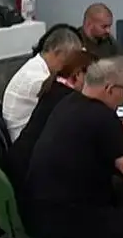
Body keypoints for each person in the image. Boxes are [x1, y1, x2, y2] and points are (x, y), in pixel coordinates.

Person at [23, 56, 123, 238]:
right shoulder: (102, 117)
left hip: (38, 207)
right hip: (65, 218)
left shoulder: (69, 102)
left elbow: (92, 144)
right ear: (110, 89)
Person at [8, 47, 95, 183]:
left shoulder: (53, 87)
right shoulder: (69, 100)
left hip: (21, 166)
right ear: (78, 74)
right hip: (31, 177)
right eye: (93, 78)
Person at [1, 25, 86, 141]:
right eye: (68, 61)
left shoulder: (35, 66)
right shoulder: (39, 80)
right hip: (26, 142)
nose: (71, 67)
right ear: (57, 53)